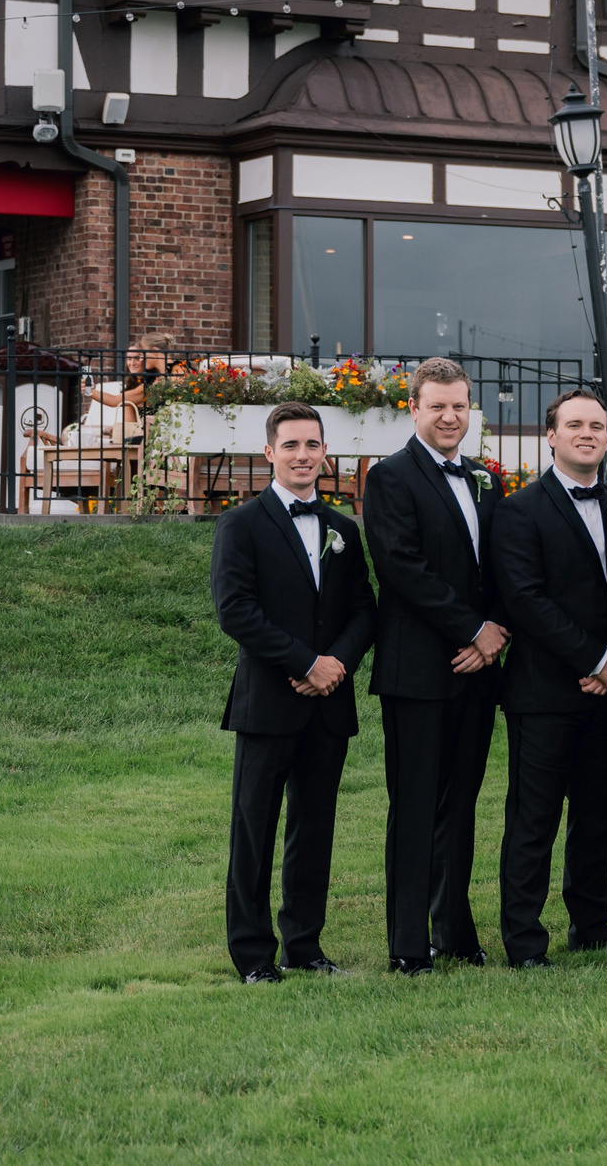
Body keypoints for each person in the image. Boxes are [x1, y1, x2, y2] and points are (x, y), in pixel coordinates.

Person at [208, 403, 376, 983]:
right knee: (254, 830)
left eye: (312, 445)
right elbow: (236, 611)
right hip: (268, 703)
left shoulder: (343, 531)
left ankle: (303, 943)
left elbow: (363, 610)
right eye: (291, 446)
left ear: (325, 453)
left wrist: (335, 665)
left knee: (314, 828)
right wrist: (305, 661)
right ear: (270, 454)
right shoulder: (241, 524)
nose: (302, 455)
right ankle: (253, 954)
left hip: (329, 704)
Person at [362, 357, 509, 974]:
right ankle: (406, 942)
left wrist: (493, 636)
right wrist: (473, 627)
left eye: (460, 406)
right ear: (414, 409)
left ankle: (453, 928)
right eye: (437, 406)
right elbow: (402, 568)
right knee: (417, 803)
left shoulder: (485, 480)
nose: (451, 417)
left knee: (462, 801)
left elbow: (499, 565)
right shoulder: (390, 479)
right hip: (418, 671)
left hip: (478, 670)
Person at [491, 389, 607, 969]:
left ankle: (591, 924)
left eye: (597, 426)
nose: (587, 434)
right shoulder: (518, 510)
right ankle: (524, 940)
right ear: (550, 436)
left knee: (597, 815)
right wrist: (593, 659)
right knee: (534, 819)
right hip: (544, 691)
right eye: (574, 425)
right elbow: (525, 599)